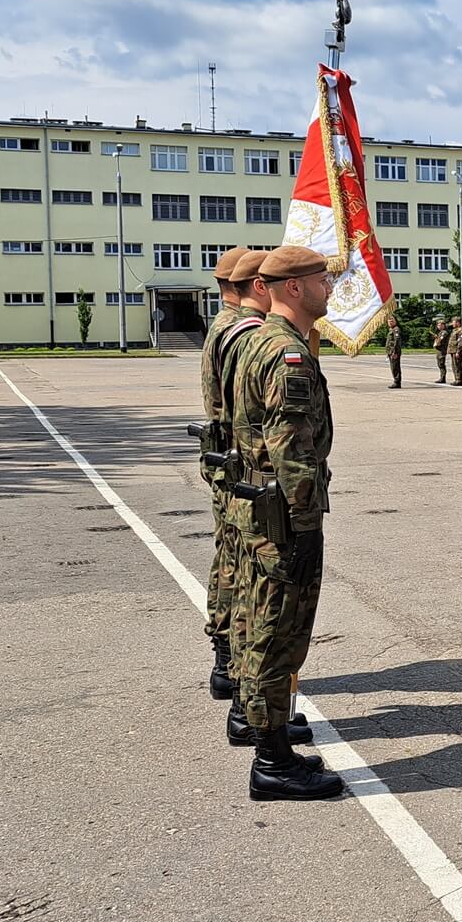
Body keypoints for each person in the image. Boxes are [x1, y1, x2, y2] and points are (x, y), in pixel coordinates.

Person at [230, 245, 343, 802]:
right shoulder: (285, 354)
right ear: (293, 288)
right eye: (322, 279)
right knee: (278, 631)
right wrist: (303, 522)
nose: (330, 287)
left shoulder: (259, 340)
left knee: (261, 624)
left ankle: (266, 738)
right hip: (283, 512)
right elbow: (290, 446)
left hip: (262, 506)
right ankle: (272, 762)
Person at [199, 246, 250, 699]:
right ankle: (231, 659)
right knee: (237, 562)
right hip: (237, 461)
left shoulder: (221, 325)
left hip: (223, 459)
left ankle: (225, 657)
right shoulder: (238, 331)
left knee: (227, 556)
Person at [384, 315, 403, 388]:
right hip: (391, 352)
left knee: (395, 367)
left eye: (392, 320)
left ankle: (397, 382)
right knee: (393, 367)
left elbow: (397, 341)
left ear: (395, 321)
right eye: (389, 321)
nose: (390, 322)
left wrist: (394, 352)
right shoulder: (391, 330)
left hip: (394, 352)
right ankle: (396, 381)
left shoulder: (396, 330)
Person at [433, 318, 451, 384]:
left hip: (442, 350)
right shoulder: (440, 332)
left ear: (443, 325)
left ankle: (443, 378)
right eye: (438, 325)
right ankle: (441, 377)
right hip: (439, 350)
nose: (438, 326)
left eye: (440, 325)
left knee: (441, 363)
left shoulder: (444, 332)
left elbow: (441, 341)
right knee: (439, 364)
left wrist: (436, 341)